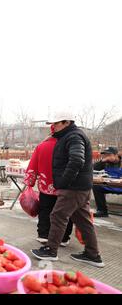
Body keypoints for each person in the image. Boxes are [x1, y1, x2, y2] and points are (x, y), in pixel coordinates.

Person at [31, 112, 104, 268]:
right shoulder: (69, 136)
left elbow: (77, 160)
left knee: (58, 216)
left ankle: (51, 250)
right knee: (83, 221)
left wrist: (64, 182)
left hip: (73, 187)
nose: (54, 127)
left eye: (56, 124)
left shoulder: (73, 137)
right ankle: (93, 254)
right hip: (80, 187)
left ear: (66, 122)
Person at [24, 125, 73, 246]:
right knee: (65, 212)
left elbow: (32, 166)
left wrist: (30, 182)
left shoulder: (41, 146)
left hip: (46, 186)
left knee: (45, 210)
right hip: (65, 186)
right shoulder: (68, 145)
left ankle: (44, 235)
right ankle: (64, 238)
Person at [92, 146, 122, 217]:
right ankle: (102, 211)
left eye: (109, 155)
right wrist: (102, 161)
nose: (107, 157)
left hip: (120, 186)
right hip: (110, 185)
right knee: (96, 187)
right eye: (105, 155)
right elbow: (92, 168)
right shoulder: (105, 162)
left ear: (116, 155)